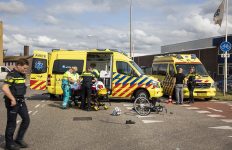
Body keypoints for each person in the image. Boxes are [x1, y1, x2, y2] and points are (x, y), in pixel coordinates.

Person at [2, 58, 30, 150]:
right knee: (12, 123)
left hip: (21, 101)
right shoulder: (11, 75)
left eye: (26, 68)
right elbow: (5, 88)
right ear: (18, 65)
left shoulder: (22, 75)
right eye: (24, 68)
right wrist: (12, 99)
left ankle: (19, 139)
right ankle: (9, 144)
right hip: (12, 102)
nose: (25, 70)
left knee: (26, 120)